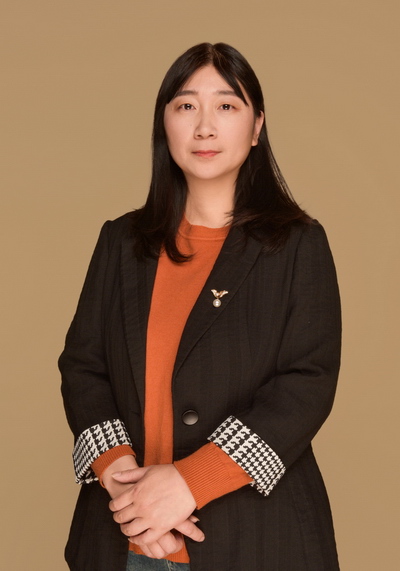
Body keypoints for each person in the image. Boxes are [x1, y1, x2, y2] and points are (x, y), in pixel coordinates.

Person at [59, 42, 341, 571]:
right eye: (186, 105)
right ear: (163, 124)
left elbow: (307, 384)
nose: (204, 127)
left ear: (257, 127)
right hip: (121, 542)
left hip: (257, 541)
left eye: (226, 106)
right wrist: (124, 485)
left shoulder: (298, 245)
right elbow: (82, 367)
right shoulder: (121, 242)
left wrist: (190, 482)